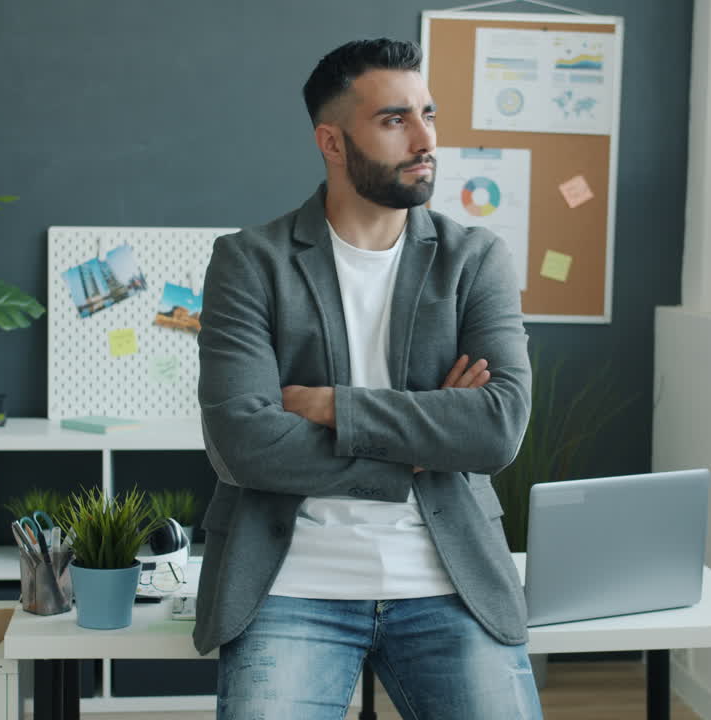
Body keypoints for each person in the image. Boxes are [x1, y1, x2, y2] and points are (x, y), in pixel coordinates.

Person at [195, 37, 539, 720]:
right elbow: (243, 443)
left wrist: (333, 407)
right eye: (393, 120)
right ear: (331, 140)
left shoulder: (476, 261)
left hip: (450, 586)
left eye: (428, 114)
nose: (423, 139)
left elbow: (498, 426)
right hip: (291, 587)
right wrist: (420, 445)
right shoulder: (248, 263)